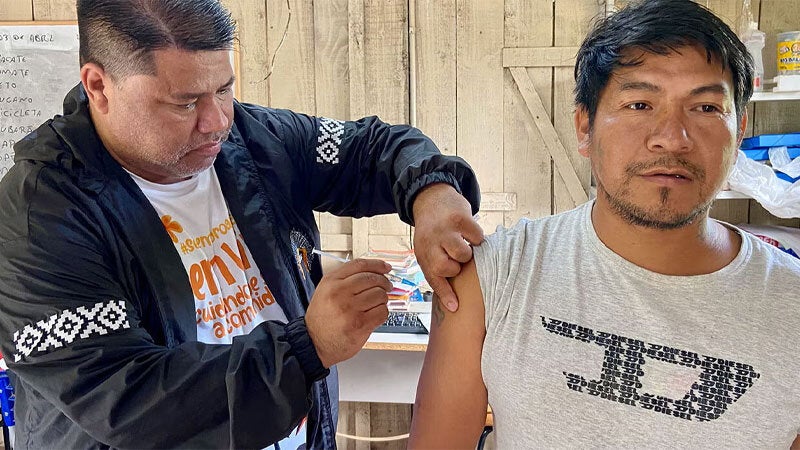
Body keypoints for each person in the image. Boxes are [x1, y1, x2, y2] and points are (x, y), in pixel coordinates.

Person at [0, 1, 484, 449]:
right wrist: (308, 346)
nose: (216, 121)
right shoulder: (38, 216)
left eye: (225, 89)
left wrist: (433, 193)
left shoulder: (254, 142)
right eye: (185, 103)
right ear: (99, 86)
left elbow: (370, 148)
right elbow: (126, 397)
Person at [409, 0, 800, 448]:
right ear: (584, 127)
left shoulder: (792, 305)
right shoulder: (497, 274)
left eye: (707, 108)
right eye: (639, 104)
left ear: (741, 128)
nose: (672, 137)